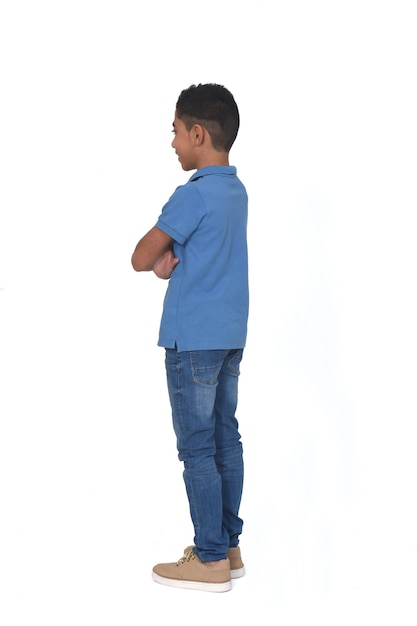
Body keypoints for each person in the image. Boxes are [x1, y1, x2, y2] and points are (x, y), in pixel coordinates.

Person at [131, 83, 249, 592]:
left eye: (176, 132)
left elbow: (140, 256)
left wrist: (159, 263)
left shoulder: (192, 195)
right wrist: (169, 264)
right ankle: (229, 547)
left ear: (198, 133)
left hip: (191, 341)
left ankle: (208, 559)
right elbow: (186, 259)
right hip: (228, 336)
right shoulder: (234, 191)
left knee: (197, 449)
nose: (173, 142)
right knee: (226, 438)